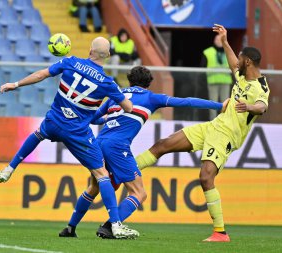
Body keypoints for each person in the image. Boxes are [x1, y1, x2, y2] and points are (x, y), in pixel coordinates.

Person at [58, 65, 229, 239]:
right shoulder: (151, 98)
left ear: (130, 80)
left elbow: (93, 118)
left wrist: (107, 117)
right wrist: (218, 105)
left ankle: (70, 227)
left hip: (98, 142)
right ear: (148, 84)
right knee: (139, 193)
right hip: (117, 147)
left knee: (94, 187)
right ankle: (110, 226)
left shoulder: (115, 96)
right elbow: (187, 101)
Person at [0, 37, 139, 239]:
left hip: (55, 120)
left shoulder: (70, 62)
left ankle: (10, 168)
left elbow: (41, 75)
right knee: (101, 175)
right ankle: (115, 224)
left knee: (38, 134)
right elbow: (128, 108)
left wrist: (15, 84)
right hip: (77, 131)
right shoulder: (108, 83)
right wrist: (109, 105)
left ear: (90, 50)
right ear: (107, 56)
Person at [136, 24, 270, 242]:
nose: (237, 63)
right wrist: (225, 41)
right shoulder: (243, 77)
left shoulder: (260, 87)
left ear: (248, 62)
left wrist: (249, 107)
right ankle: (127, 169)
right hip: (213, 126)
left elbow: (262, 107)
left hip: (226, 136)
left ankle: (220, 232)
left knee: (206, 177)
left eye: (240, 59)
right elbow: (232, 64)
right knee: (163, 144)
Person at [202, 34, 233, 120]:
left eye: (221, 40)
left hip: (225, 82)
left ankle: (224, 121)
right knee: (213, 103)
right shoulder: (207, 52)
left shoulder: (228, 52)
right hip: (212, 81)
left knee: (226, 103)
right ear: (214, 41)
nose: (219, 42)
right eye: (218, 40)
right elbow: (202, 68)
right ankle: (213, 121)